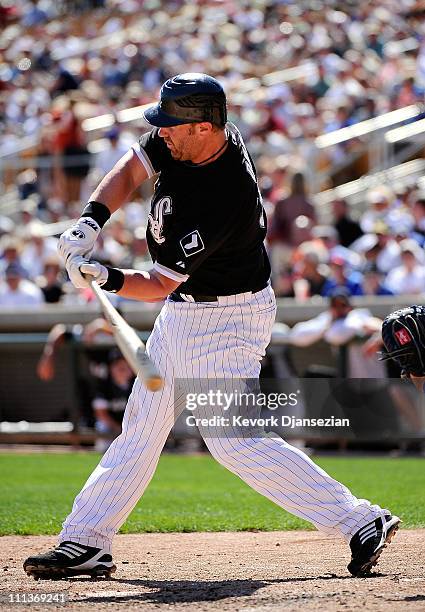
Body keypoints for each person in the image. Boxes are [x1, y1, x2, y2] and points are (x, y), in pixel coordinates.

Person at [24, 73, 399, 581]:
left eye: (174, 126)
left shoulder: (226, 197)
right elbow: (134, 166)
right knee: (142, 427)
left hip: (228, 317)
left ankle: (360, 520)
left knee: (233, 440)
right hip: (185, 310)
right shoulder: (190, 139)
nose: (163, 134)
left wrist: (105, 276)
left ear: (204, 127)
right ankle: (86, 541)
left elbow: (156, 284)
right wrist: (91, 221)